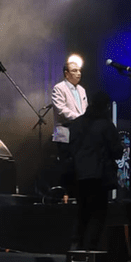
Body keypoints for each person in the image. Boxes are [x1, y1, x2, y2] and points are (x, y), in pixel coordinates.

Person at [67, 92, 123, 250]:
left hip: (78, 175)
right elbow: (116, 151)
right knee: (98, 215)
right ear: (106, 106)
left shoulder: (76, 123)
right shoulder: (106, 125)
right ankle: (89, 252)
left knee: (82, 212)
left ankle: (75, 249)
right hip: (99, 177)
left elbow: (70, 149)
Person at [51, 59, 88, 201]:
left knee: (79, 166)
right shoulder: (59, 88)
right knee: (66, 166)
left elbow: (85, 109)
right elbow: (61, 110)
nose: (78, 73)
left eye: (79, 70)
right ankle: (64, 195)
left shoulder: (82, 90)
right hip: (65, 133)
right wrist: (80, 118)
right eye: (74, 71)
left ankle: (77, 195)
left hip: (79, 134)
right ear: (66, 74)